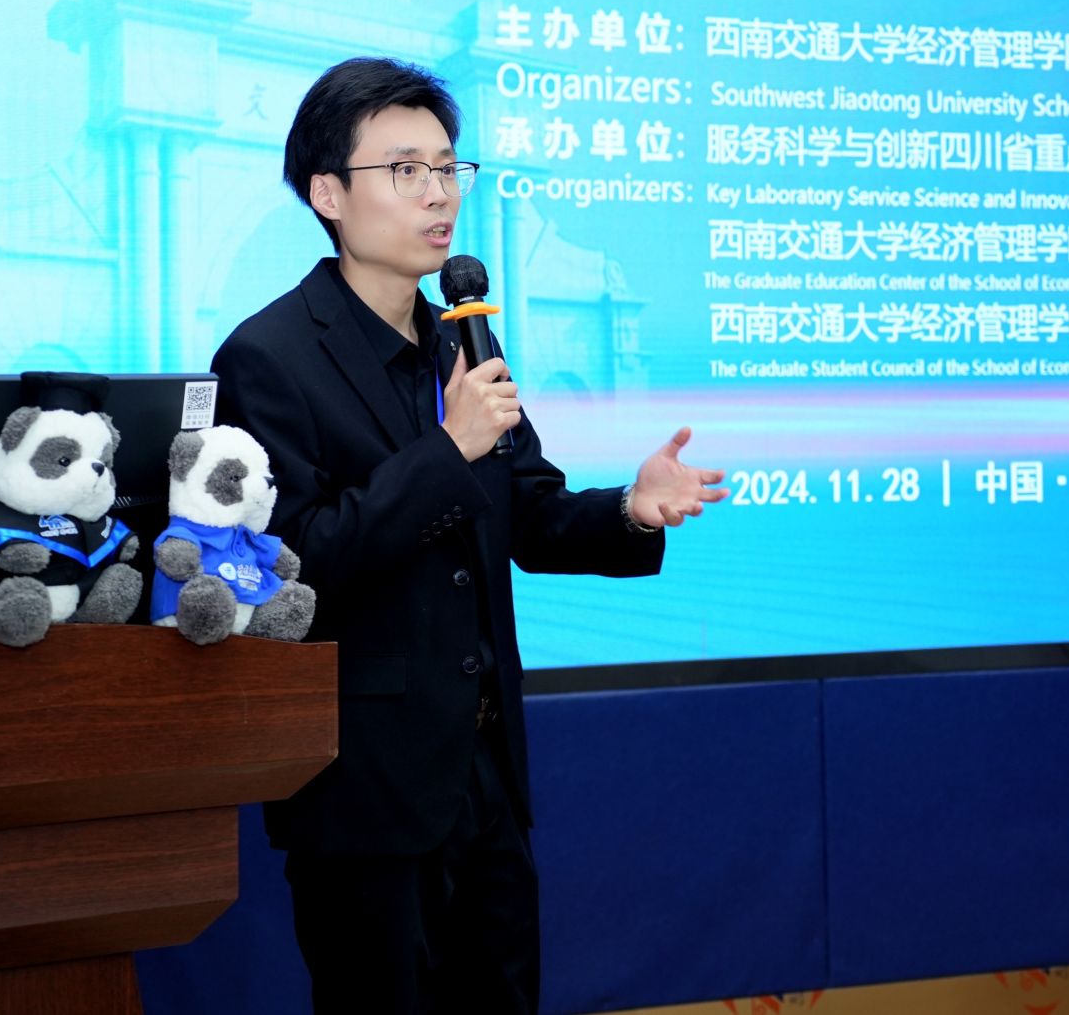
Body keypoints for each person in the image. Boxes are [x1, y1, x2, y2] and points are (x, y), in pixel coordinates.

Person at [210, 56, 727, 1013]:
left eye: (449, 168)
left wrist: (630, 507)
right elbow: (293, 564)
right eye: (405, 169)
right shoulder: (266, 356)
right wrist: (448, 450)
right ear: (328, 193)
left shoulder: (462, 341)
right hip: (365, 791)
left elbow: (528, 512)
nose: (439, 193)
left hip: (486, 777)